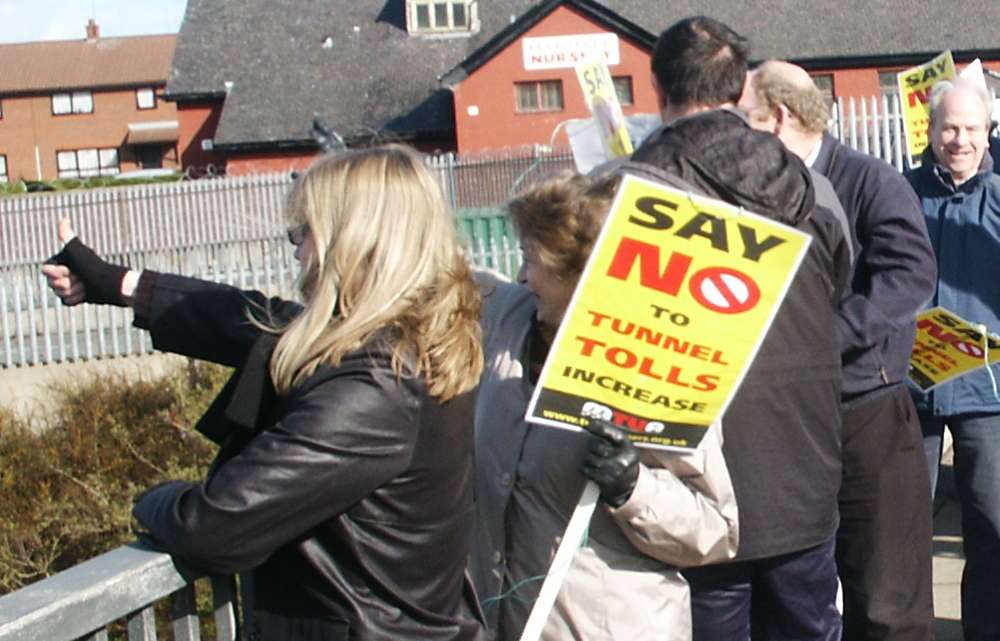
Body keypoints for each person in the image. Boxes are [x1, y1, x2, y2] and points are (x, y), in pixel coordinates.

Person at [42, 145, 487, 641]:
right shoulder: (415, 342)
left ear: (352, 242)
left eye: (306, 232)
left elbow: (211, 527)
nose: (297, 249)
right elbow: (252, 319)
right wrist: (120, 284)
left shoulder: (373, 385)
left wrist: (152, 500)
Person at [627, 17, 853, 641]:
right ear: (739, 90)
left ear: (659, 88)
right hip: (802, 466)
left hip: (693, 488)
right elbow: (839, 277)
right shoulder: (812, 185)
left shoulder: (630, 190)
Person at [470, 171, 739, 641]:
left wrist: (632, 489)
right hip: (513, 624)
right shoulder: (509, 320)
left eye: (532, 260)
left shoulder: (652, 364)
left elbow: (715, 529)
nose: (521, 275)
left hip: (612, 627)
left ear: (580, 273)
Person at [740, 60, 937, 641]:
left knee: (887, 598)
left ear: (778, 116)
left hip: (865, 413)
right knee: (796, 598)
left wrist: (818, 341)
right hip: (782, 423)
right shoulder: (754, 189)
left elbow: (910, 274)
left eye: (744, 118)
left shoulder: (869, 180)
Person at [906, 79, 1000, 641]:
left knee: (989, 527)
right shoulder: (897, 192)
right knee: (900, 525)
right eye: (949, 127)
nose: (958, 140)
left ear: (988, 129)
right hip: (907, 389)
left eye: (970, 128)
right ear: (930, 128)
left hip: (988, 394)